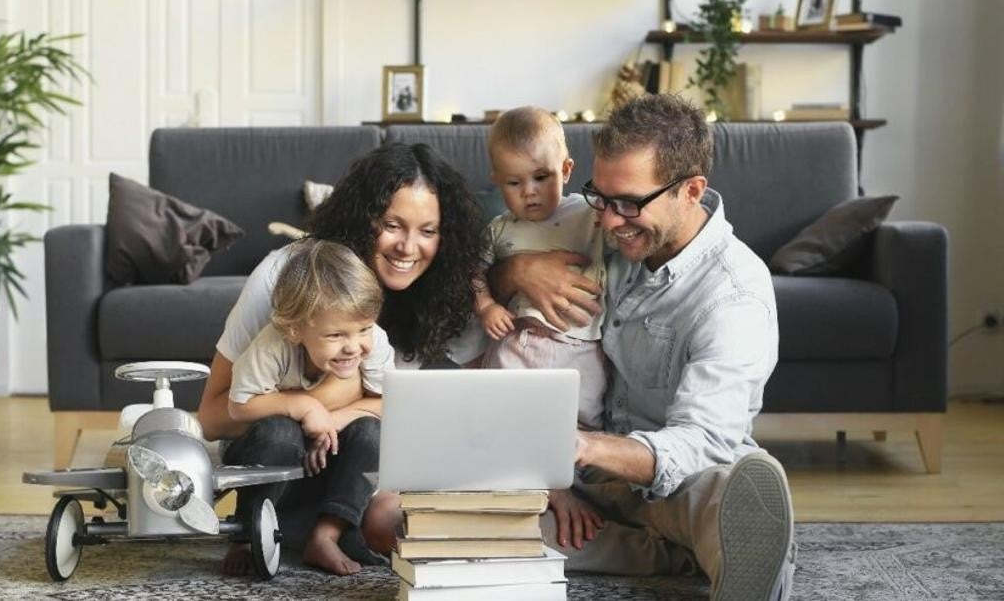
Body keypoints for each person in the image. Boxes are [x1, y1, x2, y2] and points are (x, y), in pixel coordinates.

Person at [492, 94, 797, 600]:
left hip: (676, 476)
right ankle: (676, 555)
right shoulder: (607, 237)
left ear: (692, 190)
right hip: (582, 482)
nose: (610, 221)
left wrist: (580, 444)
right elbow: (489, 268)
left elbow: (701, 439)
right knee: (456, 531)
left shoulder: (735, 293)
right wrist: (515, 271)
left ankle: (726, 542)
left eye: (629, 203)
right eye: (601, 197)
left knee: (716, 492)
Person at [197, 142, 488, 575]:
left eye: (428, 231)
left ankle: (325, 533)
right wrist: (309, 404)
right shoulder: (287, 280)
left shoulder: (445, 294)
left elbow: (406, 412)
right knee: (281, 435)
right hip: (276, 466)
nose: (409, 247)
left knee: (409, 520)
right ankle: (257, 531)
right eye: (393, 224)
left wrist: (340, 413)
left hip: (354, 477)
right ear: (363, 217)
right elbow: (212, 418)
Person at [226, 239, 395, 575]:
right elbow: (238, 407)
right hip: (266, 458)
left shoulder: (373, 341)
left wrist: (329, 420)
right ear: (294, 329)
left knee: (373, 433)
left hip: (326, 455)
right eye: (336, 335)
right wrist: (302, 406)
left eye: (362, 328)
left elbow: (389, 402)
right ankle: (245, 535)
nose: (354, 346)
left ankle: (326, 534)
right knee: (280, 431)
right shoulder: (273, 344)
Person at [474, 106, 609, 430]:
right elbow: (473, 271)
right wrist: (487, 305)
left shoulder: (590, 214)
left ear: (565, 169)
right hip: (517, 342)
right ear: (497, 182)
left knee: (582, 428)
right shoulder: (499, 229)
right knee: (498, 419)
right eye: (514, 182)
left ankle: (583, 476)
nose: (529, 191)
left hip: (580, 345)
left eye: (541, 177)